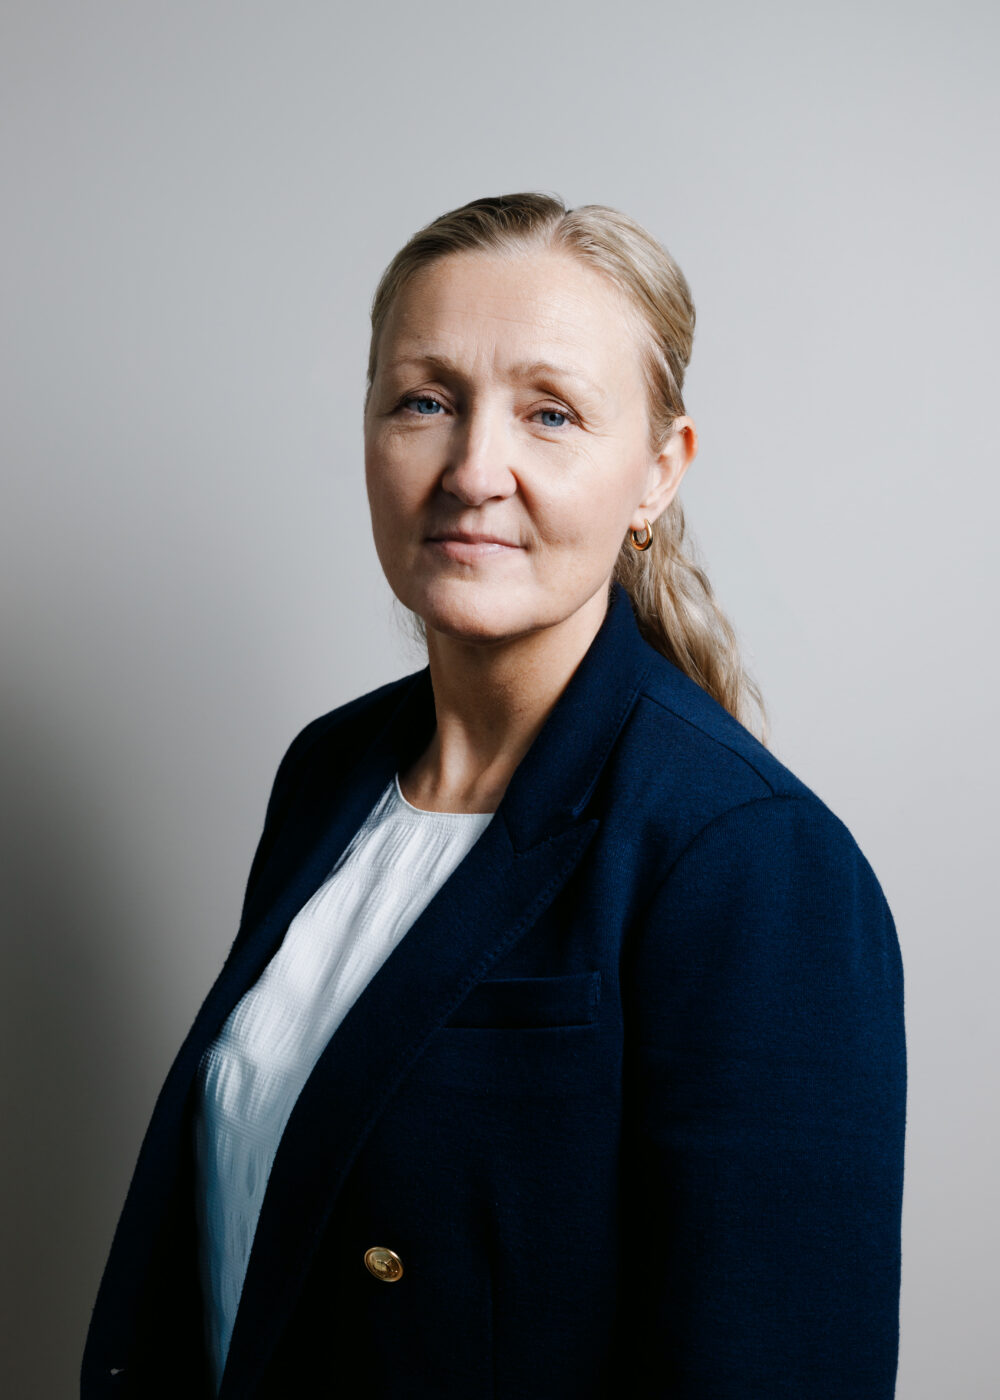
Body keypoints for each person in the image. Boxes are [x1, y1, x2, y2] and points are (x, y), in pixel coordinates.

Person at [82, 192, 906, 1399]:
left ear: (657, 471)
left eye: (550, 412)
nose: (474, 470)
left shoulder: (749, 859)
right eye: (425, 400)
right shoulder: (328, 772)